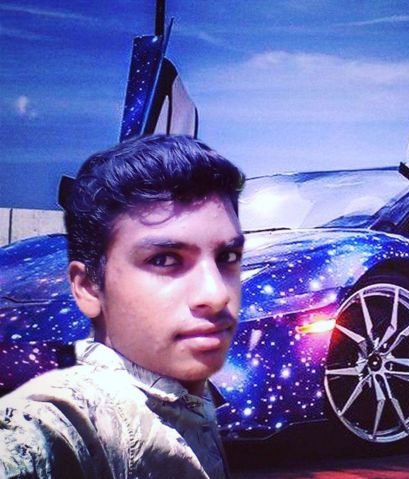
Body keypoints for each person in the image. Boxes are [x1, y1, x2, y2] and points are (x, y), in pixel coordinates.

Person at [0, 135, 245, 478]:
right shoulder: (70, 416)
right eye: (164, 259)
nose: (217, 294)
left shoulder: (194, 398)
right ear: (88, 288)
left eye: (227, 257)